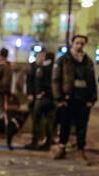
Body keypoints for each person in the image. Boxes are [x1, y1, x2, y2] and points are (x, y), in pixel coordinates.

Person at [52, 35, 97, 163]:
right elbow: (55, 80)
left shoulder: (88, 61)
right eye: (77, 43)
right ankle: (62, 147)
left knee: (81, 125)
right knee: (65, 123)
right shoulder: (63, 60)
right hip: (67, 97)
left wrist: (92, 98)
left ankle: (80, 150)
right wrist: (59, 97)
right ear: (72, 43)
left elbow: (92, 80)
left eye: (82, 43)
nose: (79, 46)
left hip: (83, 98)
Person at [24, 51, 55, 151]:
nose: (41, 59)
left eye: (42, 57)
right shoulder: (34, 68)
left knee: (43, 120)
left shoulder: (45, 69)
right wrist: (30, 93)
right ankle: (42, 142)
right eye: (39, 57)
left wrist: (42, 93)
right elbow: (29, 81)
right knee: (41, 120)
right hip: (42, 97)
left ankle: (41, 142)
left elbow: (44, 83)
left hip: (43, 98)